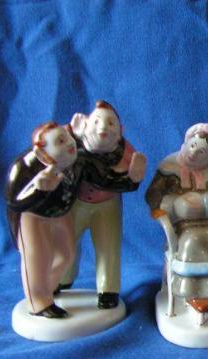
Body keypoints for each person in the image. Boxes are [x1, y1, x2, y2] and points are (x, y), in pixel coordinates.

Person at [146, 123, 208, 301]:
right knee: (191, 240)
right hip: (184, 222)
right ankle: (191, 290)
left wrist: (204, 203)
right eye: (192, 146)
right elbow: (153, 193)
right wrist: (174, 205)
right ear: (186, 143)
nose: (193, 153)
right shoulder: (169, 166)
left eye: (201, 152)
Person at [59, 101, 147, 309]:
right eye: (97, 121)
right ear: (85, 124)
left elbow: (133, 178)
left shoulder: (124, 151)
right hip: (76, 204)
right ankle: (61, 278)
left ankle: (108, 290)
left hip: (107, 206)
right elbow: (54, 145)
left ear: (120, 131)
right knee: (65, 243)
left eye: (110, 123)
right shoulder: (73, 143)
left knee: (108, 247)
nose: (103, 127)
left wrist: (135, 176)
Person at [6, 122, 82, 318]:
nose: (69, 143)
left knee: (66, 254)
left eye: (66, 137)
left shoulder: (74, 158)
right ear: (42, 152)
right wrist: (38, 191)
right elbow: (13, 202)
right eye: (60, 141)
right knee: (37, 259)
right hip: (33, 217)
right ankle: (38, 302)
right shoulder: (24, 167)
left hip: (60, 213)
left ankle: (47, 288)